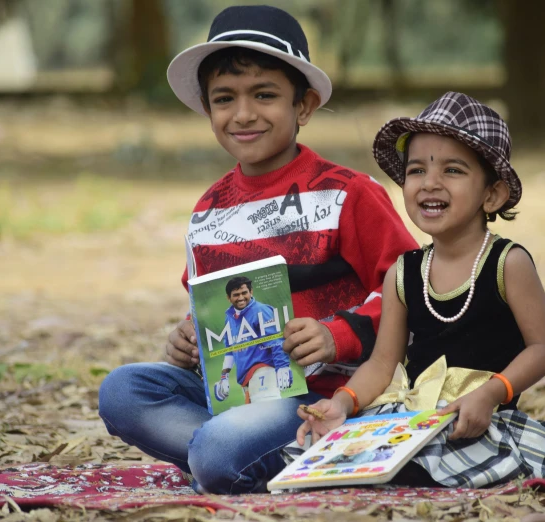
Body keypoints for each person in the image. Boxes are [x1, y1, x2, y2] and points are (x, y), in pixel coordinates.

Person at [98, 4, 418, 494]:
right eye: (224, 98)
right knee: (123, 391)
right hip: (237, 394)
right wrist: (185, 341)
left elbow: (411, 288)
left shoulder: (347, 194)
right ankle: (272, 455)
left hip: (327, 395)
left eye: (264, 95)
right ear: (208, 110)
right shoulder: (209, 210)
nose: (243, 114)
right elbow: (204, 309)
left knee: (216, 452)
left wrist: (339, 336)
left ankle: (251, 451)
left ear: (304, 106)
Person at [297, 92, 545, 489]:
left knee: (446, 458)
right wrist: (342, 402)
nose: (430, 184)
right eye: (417, 170)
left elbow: (544, 348)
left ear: (491, 194)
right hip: (411, 417)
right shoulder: (404, 272)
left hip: (476, 417)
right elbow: (382, 364)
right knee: (324, 457)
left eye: (453, 171)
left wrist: (493, 394)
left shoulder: (507, 264)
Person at [215, 276, 292, 403]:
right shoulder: (229, 316)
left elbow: (275, 340)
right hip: (245, 378)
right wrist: (224, 377)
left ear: (251, 292)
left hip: (263, 369)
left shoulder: (260, 310)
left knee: (265, 416)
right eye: (236, 294)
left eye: (244, 293)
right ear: (228, 298)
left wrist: (283, 366)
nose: (241, 298)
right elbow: (230, 350)